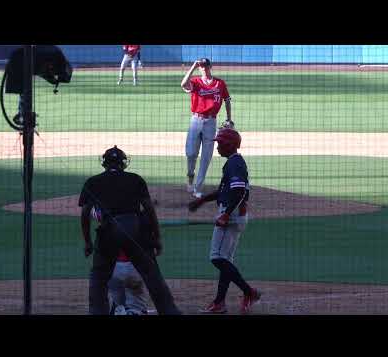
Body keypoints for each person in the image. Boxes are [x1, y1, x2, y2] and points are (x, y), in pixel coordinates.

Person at [79, 145, 181, 315]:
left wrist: (88, 242)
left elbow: (84, 214)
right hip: (136, 229)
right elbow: (149, 210)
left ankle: (97, 312)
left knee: (99, 277)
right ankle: (170, 312)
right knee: (152, 276)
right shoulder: (135, 179)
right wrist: (156, 238)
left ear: (104, 163)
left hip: (109, 230)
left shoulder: (92, 181)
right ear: (123, 163)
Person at [188, 128, 261, 315]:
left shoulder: (234, 164)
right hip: (235, 214)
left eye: (220, 143)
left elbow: (239, 191)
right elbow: (225, 190)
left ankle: (248, 291)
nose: (217, 146)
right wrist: (202, 200)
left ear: (229, 144)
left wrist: (226, 214)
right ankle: (219, 303)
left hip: (232, 215)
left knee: (217, 257)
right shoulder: (234, 162)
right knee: (225, 260)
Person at [181, 58, 233, 199]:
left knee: (206, 156)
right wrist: (193, 66)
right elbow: (183, 84)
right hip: (196, 120)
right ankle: (190, 174)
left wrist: (229, 119)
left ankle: (198, 188)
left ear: (210, 66)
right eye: (201, 66)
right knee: (191, 153)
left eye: (205, 66)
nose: (204, 68)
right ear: (199, 68)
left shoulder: (220, 83)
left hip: (211, 122)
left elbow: (227, 100)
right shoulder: (196, 82)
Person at [91, 206, 149, 316]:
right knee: (136, 309)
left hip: (112, 270)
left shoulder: (105, 222)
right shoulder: (135, 218)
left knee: (119, 307)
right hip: (133, 269)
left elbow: (94, 212)